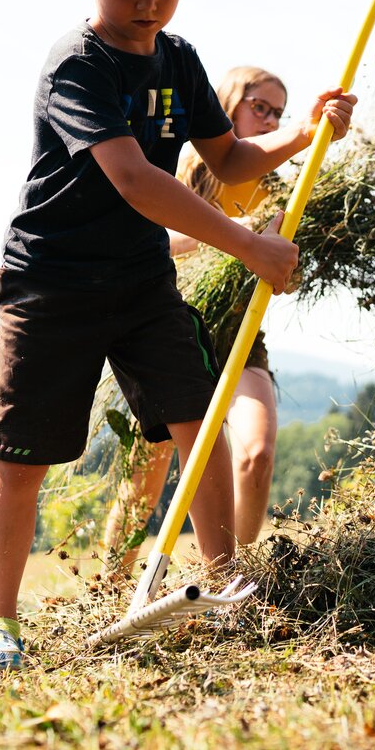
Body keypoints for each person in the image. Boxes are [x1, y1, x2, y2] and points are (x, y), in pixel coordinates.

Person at [0, 0, 355, 673]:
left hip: (142, 284)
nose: (147, 4)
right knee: (23, 457)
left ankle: (223, 592)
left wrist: (307, 137)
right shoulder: (77, 65)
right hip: (53, 283)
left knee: (197, 426)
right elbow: (138, 180)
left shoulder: (179, 59)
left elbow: (231, 160)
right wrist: (247, 247)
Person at [102, 66, 288, 567]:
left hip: (240, 328)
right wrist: (238, 231)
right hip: (175, 321)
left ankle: (243, 580)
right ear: (229, 105)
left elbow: (279, 268)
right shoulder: (186, 169)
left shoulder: (278, 190)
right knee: (149, 476)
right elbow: (153, 238)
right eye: (260, 108)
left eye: (278, 114)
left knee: (256, 453)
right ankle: (108, 585)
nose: (270, 121)